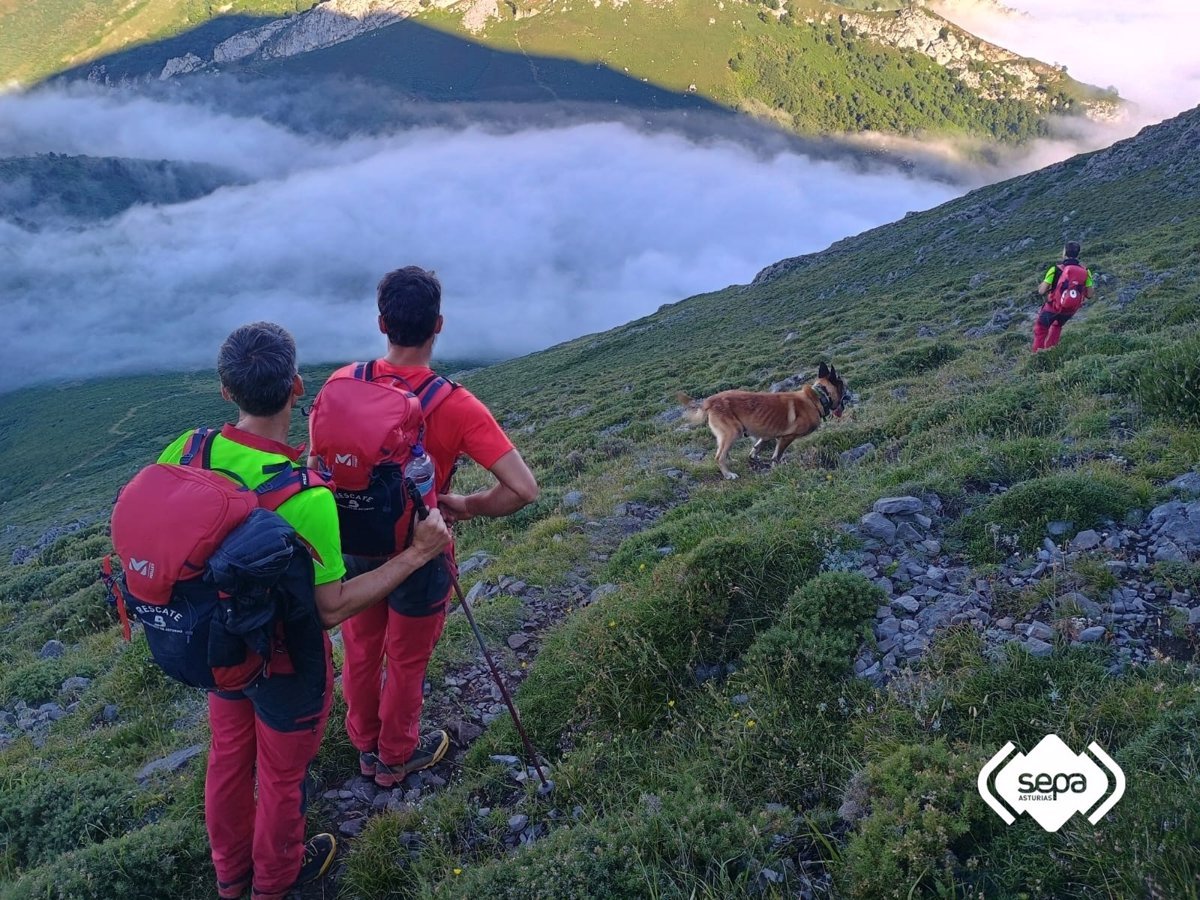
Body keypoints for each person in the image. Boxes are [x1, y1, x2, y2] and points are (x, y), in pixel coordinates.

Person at [157, 322, 451, 900]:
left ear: (225, 391)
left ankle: (230, 876)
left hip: (218, 648)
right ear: (296, 388)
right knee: (283, 776)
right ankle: (276, 879)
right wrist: (416, 554)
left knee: (228, 760)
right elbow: (330, 608)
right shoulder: (306, 497)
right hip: (288, 665)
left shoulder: (186, 451)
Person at [327, 266, 538, 788]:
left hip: (354, 542)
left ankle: (363, 745)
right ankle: (395, 758)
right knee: (406, 658)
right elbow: (523, 489)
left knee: (360, 645)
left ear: (382, 323)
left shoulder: (341, 383)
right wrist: (464, 504)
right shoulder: (454, 403)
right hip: (421, 547)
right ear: (438, 325)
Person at [1032, 240, 1094, 351]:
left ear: (1064, 252)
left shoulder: (1055, 269)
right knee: (1057, 326)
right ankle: (1051, 352)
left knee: (1041, 329)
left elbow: (1041, 291)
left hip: (1052, 308)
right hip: (1069, 310)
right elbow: (1089, 294)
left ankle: (1037, 356)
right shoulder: (1086, 271)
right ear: (1077, 254)